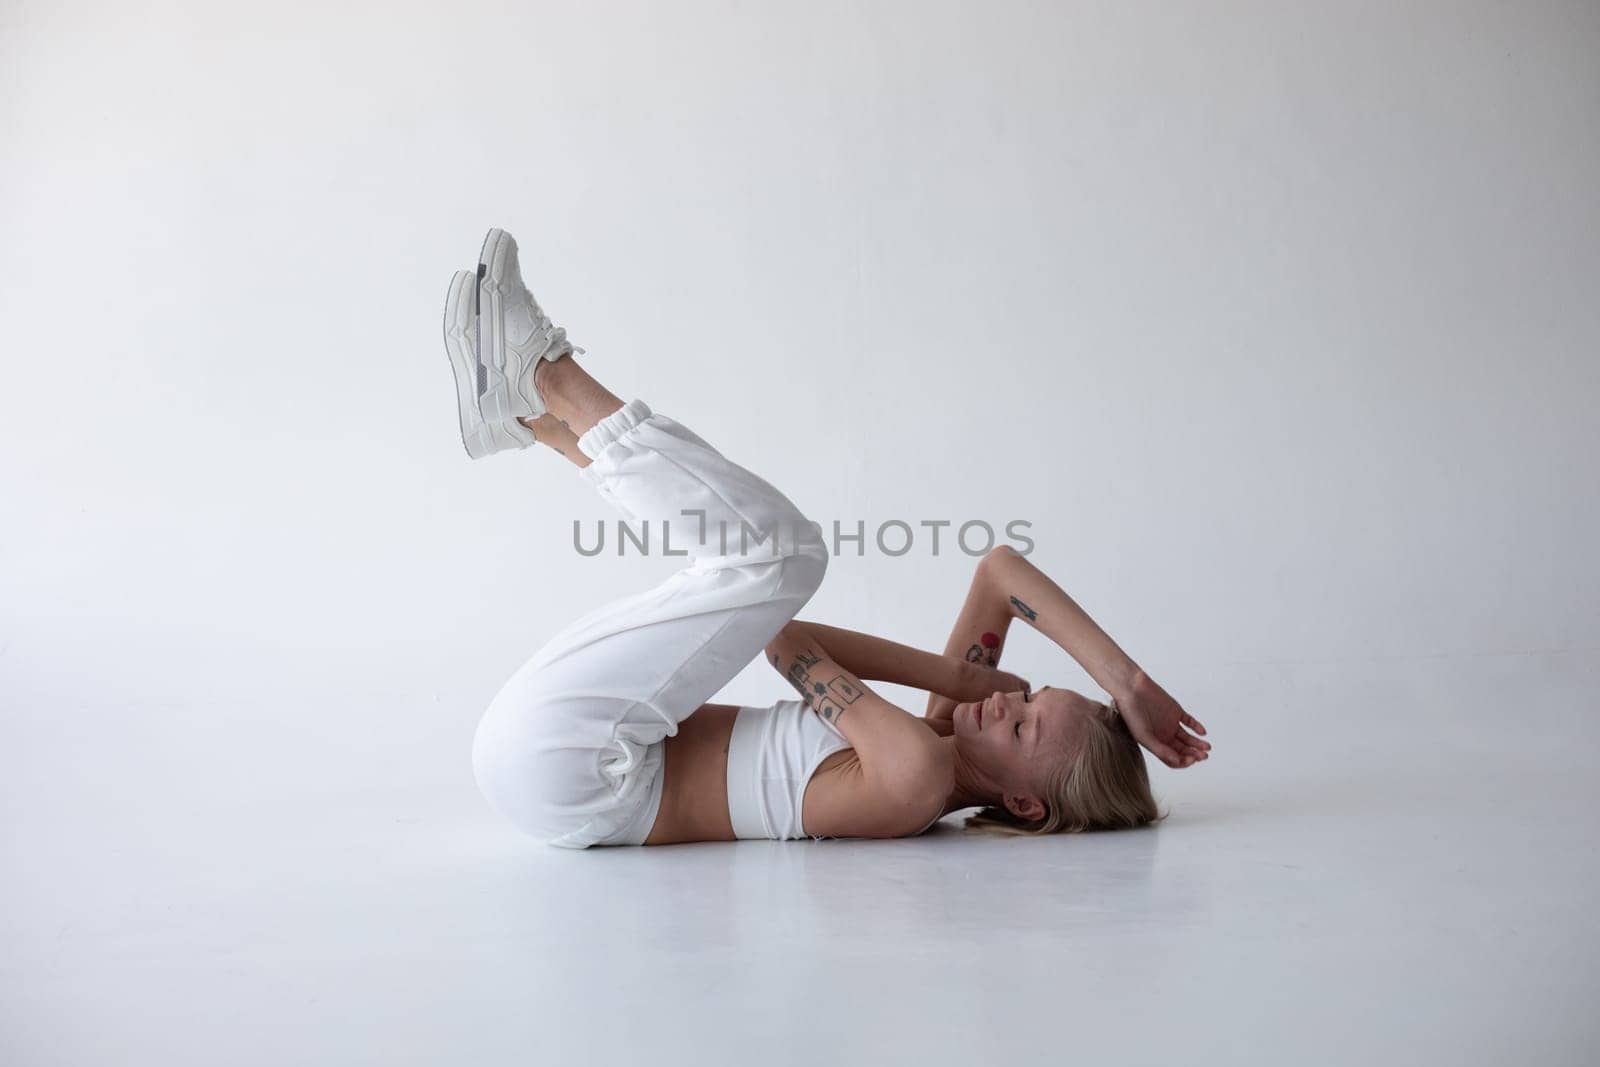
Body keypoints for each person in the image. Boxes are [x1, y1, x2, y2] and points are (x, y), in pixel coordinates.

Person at [446, 228, 1210, 849]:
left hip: (582, 767)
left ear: (1024, 803)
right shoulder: (934, 734)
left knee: (783, 559)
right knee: (746, 570)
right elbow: (1001, 571)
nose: (1009, 702)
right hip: (572, 765)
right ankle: (526, 420)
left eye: (1021, 726)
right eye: (1034, 696)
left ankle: (545, 375)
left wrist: (960, 683)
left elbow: (781, 638)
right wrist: (1125, 685)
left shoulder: (913, 778)